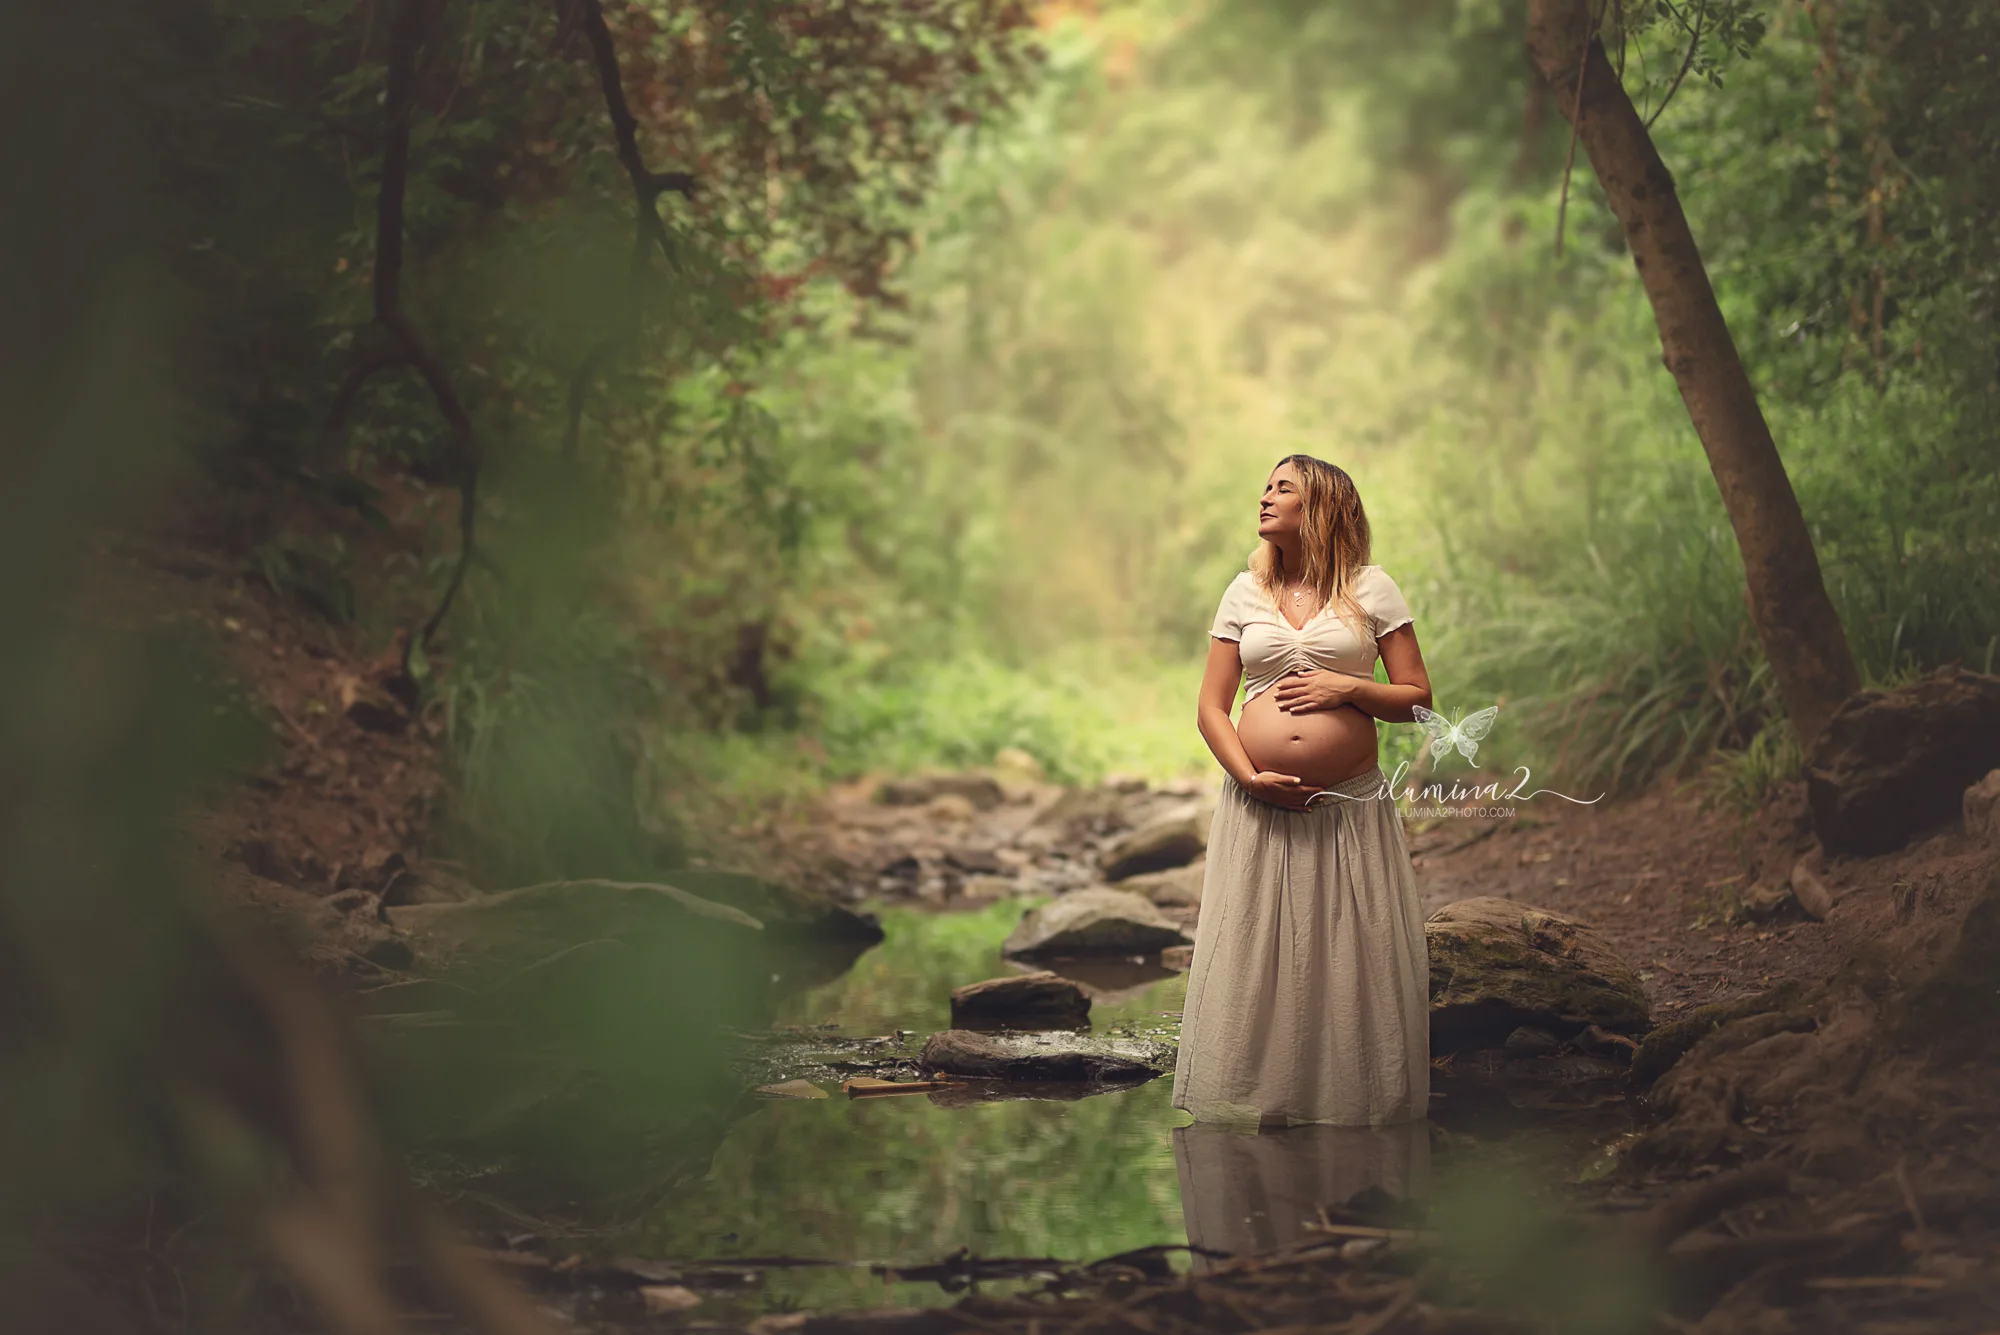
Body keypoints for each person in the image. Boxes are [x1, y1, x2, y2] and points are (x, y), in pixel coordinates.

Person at [1171, 453, 1434, 1128]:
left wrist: (1347, 686)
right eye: (1265, 485)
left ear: (1321, 505)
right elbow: (1210, 706)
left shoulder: (1372, 589)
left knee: (1345, 948)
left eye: (1282, 488)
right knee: (1262, 949)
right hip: (1257, 804)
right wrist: (1248, 775)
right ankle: (1272, 1104)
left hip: (1343, 804)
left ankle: (1349, 1105)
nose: (1264, 497)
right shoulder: (1244, 592)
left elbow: (1417, 699)